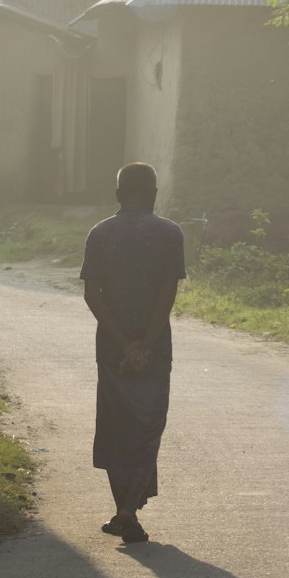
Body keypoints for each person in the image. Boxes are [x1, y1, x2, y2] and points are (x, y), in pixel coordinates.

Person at [80, 162, 186, 544]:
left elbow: (93, 294)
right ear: (155, 194)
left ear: (118, 195)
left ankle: (125, 511)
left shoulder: (100, 233)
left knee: (116, 427)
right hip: (155, 351)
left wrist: (124, 345)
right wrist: (144, 345)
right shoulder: (169, 233)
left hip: (111, 350)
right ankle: (127, 511)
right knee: (146, 429)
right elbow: (167, 293)